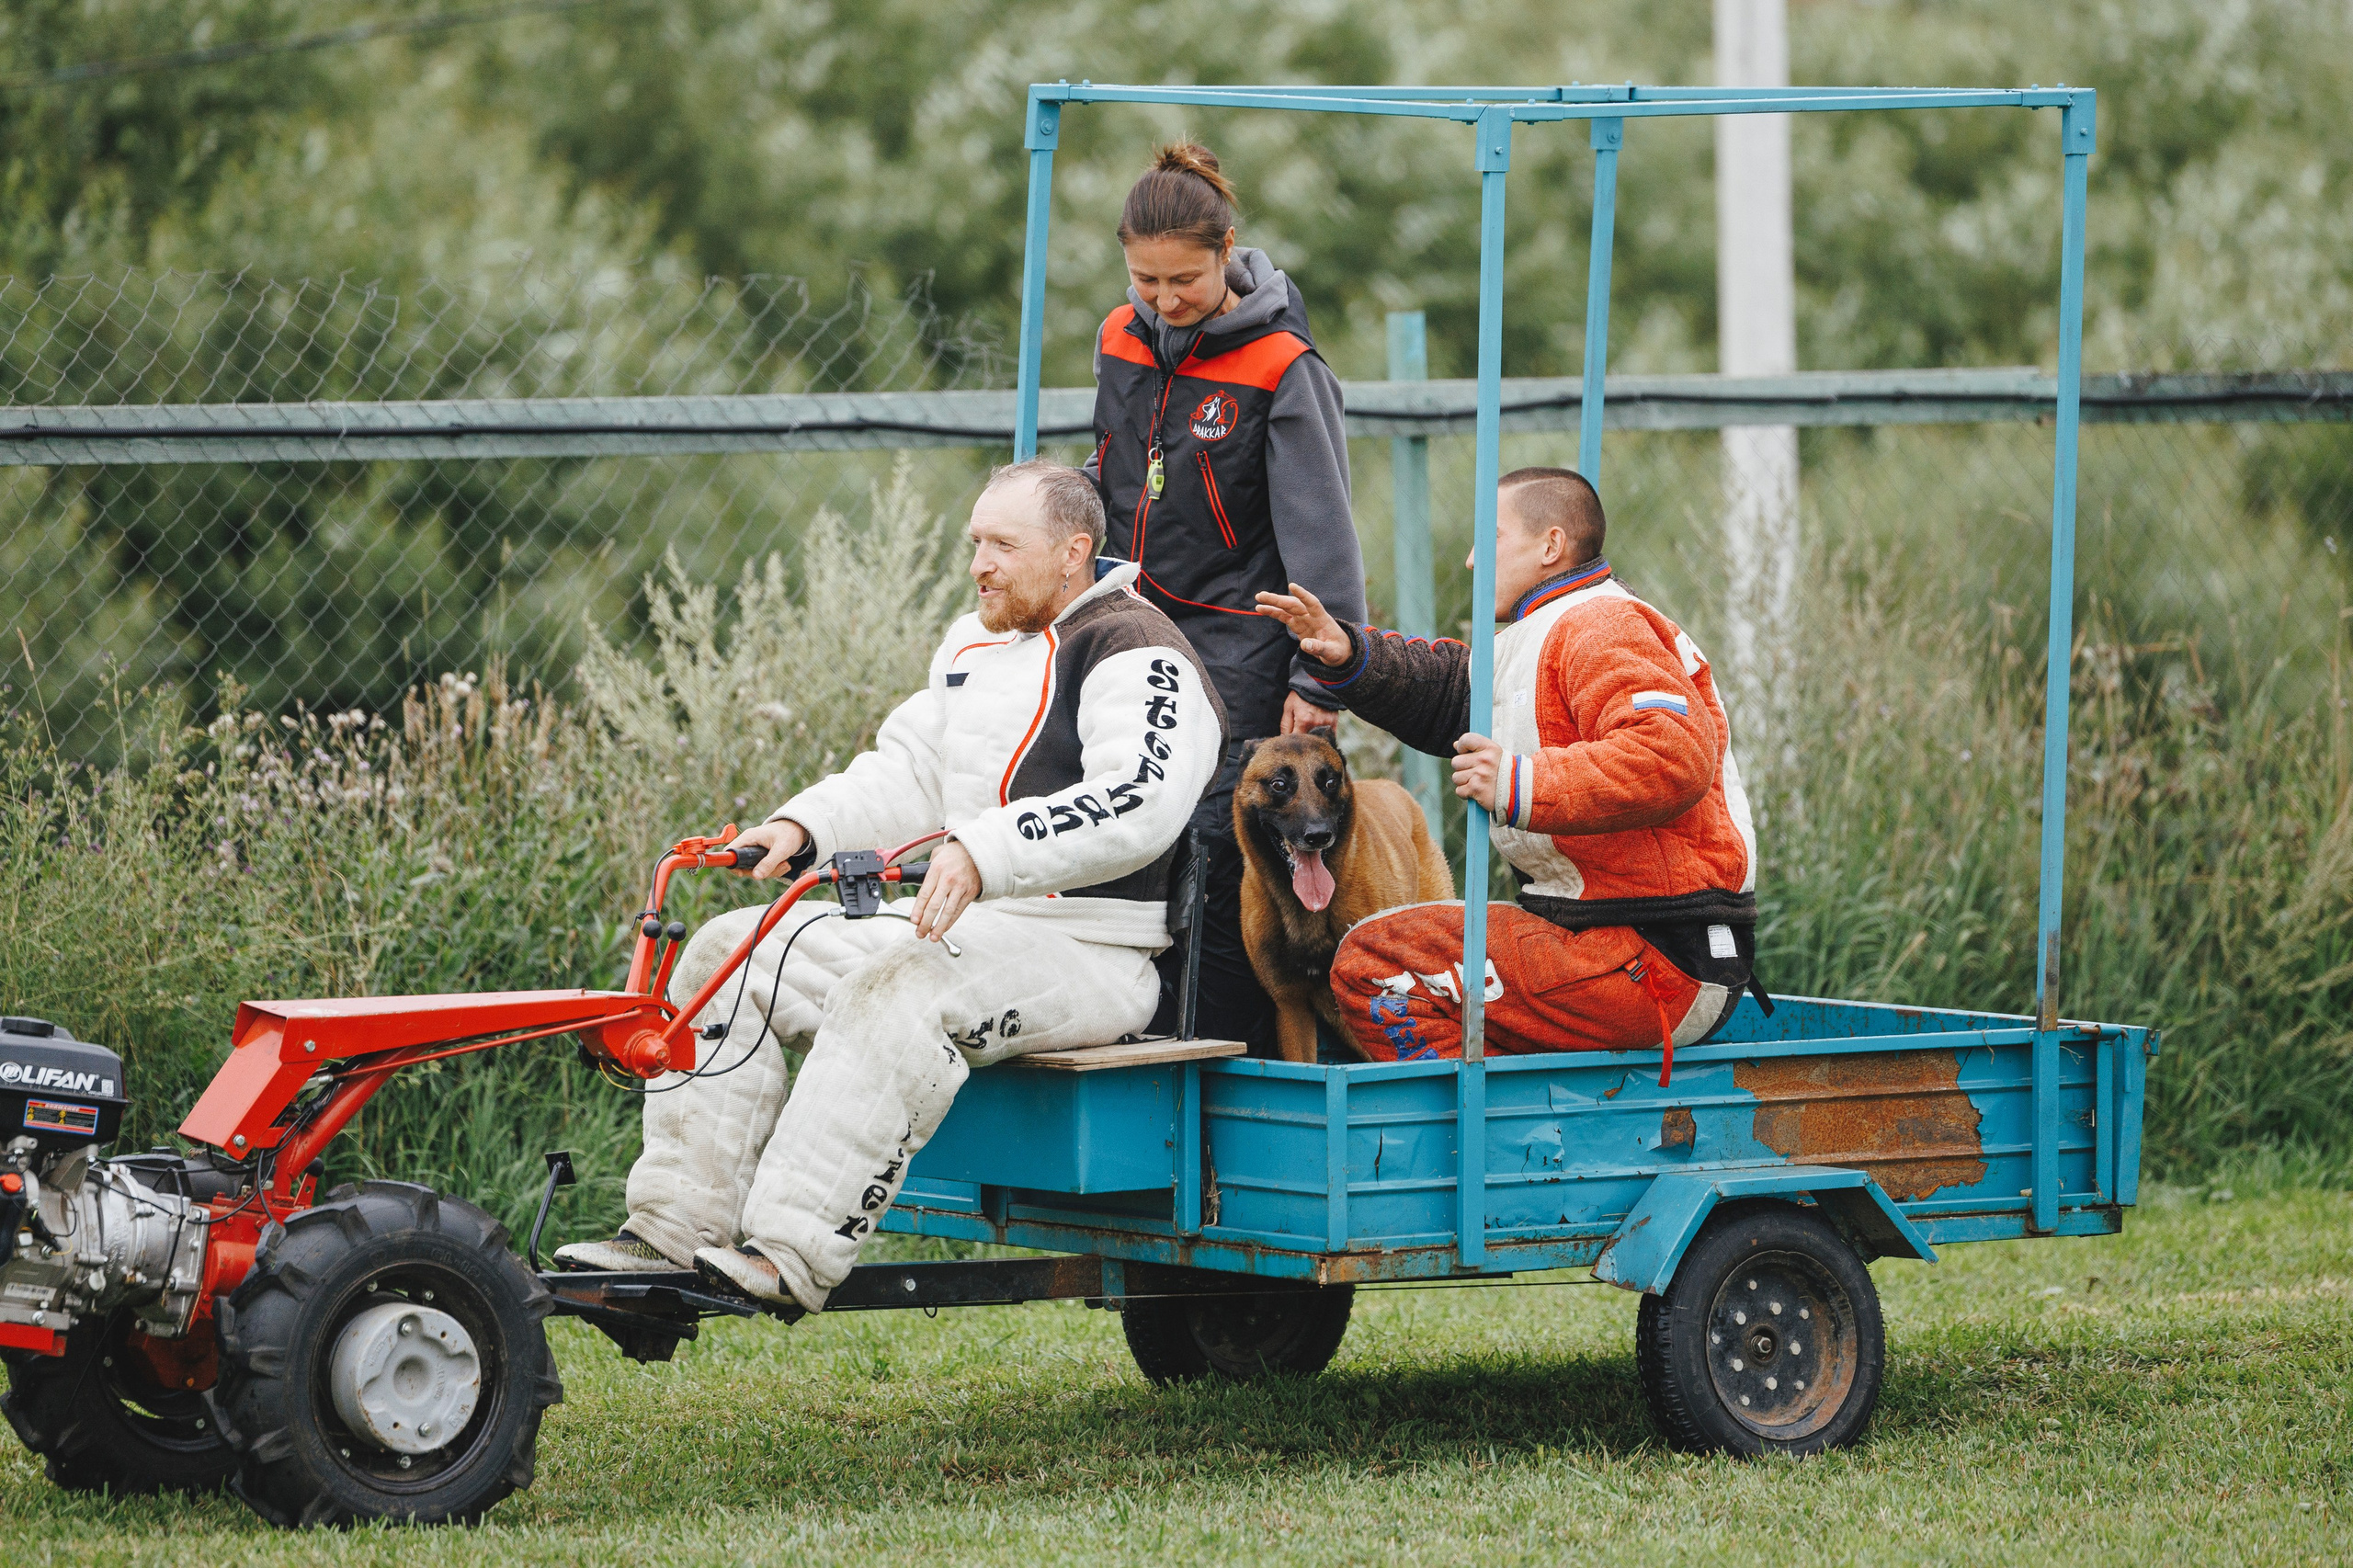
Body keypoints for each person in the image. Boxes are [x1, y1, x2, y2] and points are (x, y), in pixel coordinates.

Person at [556, 459, 1224, 1312]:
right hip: (965, 925)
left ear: (1073, 551)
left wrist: (984, 850)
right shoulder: (974, 641)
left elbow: (1139, 800)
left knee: (899, 988)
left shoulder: (1137, 648)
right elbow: (909, 770)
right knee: (729, 953)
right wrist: (805, 826)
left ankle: (788, 1256)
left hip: (1090, 952)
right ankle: (670, 1234)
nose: (978, 565)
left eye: (1002, 546)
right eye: (974, 542)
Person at [1255, 467, 1760, 1072]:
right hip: (1606, 940)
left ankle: (1479, 1125)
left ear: (1551, 546)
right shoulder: (1547, 631)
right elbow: (1449, 691)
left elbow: (1670, 754)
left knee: (1374, 961)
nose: (1472, 560)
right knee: (1395, 950)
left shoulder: (1602, 624)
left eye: (1489, 539)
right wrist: (1349, 654)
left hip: (1651, 954)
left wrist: (1519, 783)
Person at [1086, 141, 1367, 1050]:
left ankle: (1212, 1081)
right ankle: (1128, 1052)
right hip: (1135, 642)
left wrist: (1319, 681)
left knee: (1216, 870)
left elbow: (1322, 532)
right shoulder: (1118, 337)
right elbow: (1114, 471)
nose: (1163, 300)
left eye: (1184, 280)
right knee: (1125, 852)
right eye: (1145, 279)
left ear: (1227, 254)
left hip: (1239, 661)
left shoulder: (1281, 365)